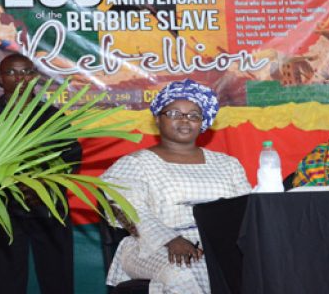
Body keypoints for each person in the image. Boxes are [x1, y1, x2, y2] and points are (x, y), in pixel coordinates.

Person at [101, 79, 251, 294]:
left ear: (203, 122)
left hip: (218, 244)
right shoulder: (135, 163)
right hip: (151, 247)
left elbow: (244, 209)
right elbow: (127, 206)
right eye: (174, 113)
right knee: (184, 270)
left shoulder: (228, 164)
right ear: (157, 119)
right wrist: (170, 239)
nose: (184, 120)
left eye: (193, 115)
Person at [0, 53, 81, 294]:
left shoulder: (52, 115)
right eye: (12, 72)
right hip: (4, 210)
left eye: (26, 72)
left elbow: (71, 158)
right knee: (8, 283)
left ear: (35, 77)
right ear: (0, 79)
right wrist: (9, 185)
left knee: (58, 281)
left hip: (49, 209)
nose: (20, 78)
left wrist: (43, 187)